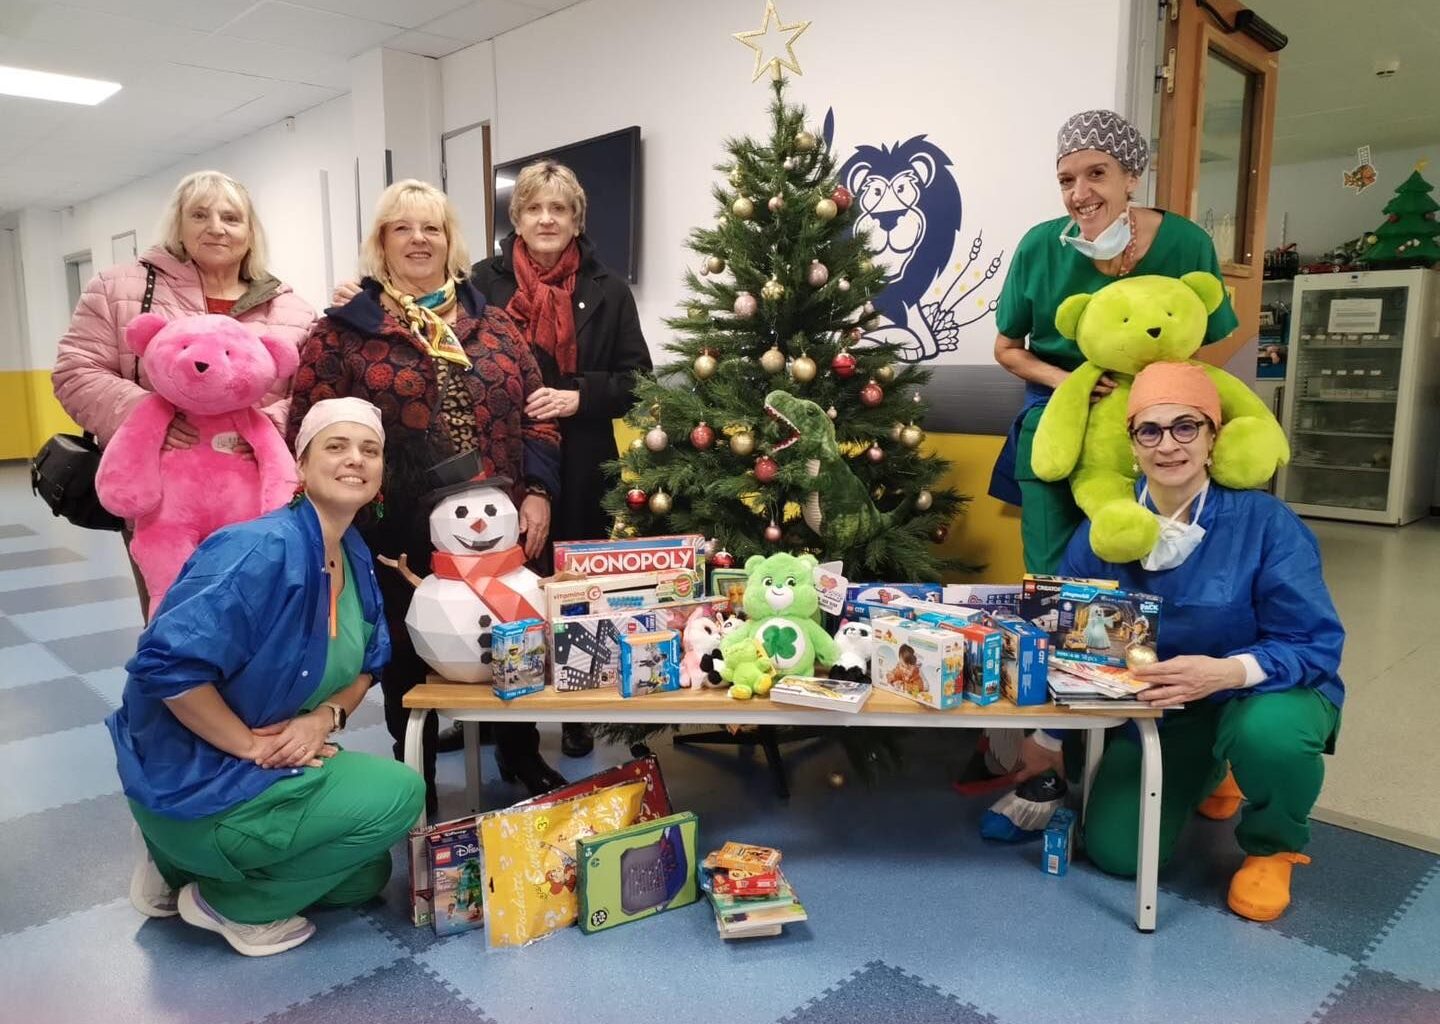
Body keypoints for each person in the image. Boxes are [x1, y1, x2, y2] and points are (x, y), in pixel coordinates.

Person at [1014, 363, 1344, 923]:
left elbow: (1314, 643)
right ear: (1133, 444)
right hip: (1166, 710)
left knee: (1269, 736)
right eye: (1150, 430)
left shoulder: (1265, 522)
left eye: (1186, 426)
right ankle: (1217, 768)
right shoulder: (1106, 530)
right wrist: (1046, 737)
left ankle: (1272, 846)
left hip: (1264, 691)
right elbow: (1073, 646)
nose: (1168, 445)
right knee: (1117, 854)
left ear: (1213, 437)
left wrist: (1228, 672)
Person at [109, 398, 424, 957]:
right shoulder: (258, 548)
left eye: (370, 450)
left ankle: (176, 866)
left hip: (266, 764)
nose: (355, 459)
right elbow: (165, 667)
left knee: (365, 876)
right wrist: (250, 746)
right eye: (336, 446)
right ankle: (228, 905)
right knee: (401, 794)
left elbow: (370, 664)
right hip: (202, 775)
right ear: (300, 464)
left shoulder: (353, 553)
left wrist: (323, 717)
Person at [288, 180, 564, 808]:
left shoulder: (496, 325)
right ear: (381, 241)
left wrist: (539, 492)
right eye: (402, 228)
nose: (419, 239)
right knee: (408, 648)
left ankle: (520, 752)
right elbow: (307, 428)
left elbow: (537, 414)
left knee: (512, 638)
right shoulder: (342, 333)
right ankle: (416, 770)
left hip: (499, 525)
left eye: (431, 227)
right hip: (396, 529)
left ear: (450, 240)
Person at [989, 110, 1239, 575]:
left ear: (1132, 177)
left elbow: (1205, 346)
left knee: (1146, 554)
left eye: (1097, 174)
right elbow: (1007, 349)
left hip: (1156, 419)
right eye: (1067, 180)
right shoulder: (1039, 248)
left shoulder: (1187, 244)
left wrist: (1165, 405)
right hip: (1057, 415)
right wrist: (1068, 383)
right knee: (1050, 571)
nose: (1080, 194)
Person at [53, 169, 315, 613]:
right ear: (178, 223)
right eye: (200, 215)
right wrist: (144, 417)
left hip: (254, 497)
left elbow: (310, 391)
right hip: (163, 497)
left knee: (259, 616)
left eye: (231, 217)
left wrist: (264, 427)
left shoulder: (291, 308)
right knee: (174, 615)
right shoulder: (121, 288)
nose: (216, 227)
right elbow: (76, 369)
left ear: (250, 231)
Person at [468, 159, 653, 759]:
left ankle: (574, 709)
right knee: (504, 583)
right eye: (534, 208)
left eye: (559, 209)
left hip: (583, 460)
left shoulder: (608, 288)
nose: (546, 219)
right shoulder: (481, 282)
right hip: (503, 457)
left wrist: (580, 396)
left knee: (575, 590)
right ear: (517, 218)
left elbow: (639, 381)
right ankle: (499, 715)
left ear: (577, 220)